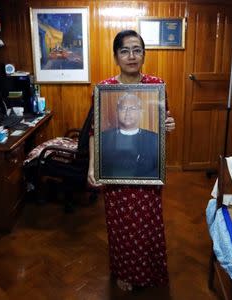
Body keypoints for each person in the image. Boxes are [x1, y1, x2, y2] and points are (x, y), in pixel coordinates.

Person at [87, 29, 175, 291]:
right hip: (115, 174)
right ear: (116, 56)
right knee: (121, 227)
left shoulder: (156, 85)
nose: (131, 56)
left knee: (148, 223)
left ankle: (151, 271)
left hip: (148, 171)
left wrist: (168, 124)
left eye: (137, 50)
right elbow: (95, 131)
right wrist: (92, 166)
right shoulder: (105, 89)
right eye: (124, 50)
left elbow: (160, 129)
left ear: (144, 54)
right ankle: (124, 272)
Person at [101, 93, 159, 178]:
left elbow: (158, 170)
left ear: (140, 112)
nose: (128, 112)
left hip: (145, 188)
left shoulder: (154, 138)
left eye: (133, 108)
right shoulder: (103, 138)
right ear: (117, 112)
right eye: (123, 108)